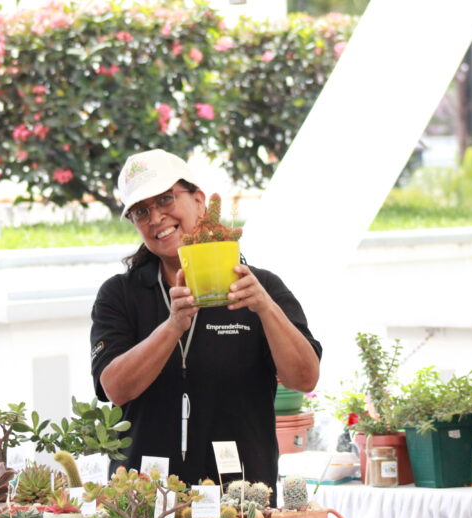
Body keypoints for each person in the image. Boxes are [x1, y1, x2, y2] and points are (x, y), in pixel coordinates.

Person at [90, 149, 322, 489]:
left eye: (166, 199)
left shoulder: (260, 287)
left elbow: (304, 378)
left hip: (241, 498)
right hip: (145, 498)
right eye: (141, 211)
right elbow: (116, 388)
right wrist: (172, 327)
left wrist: (265, 308)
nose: (155, 218)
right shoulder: (120, 293)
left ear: (199, 200)